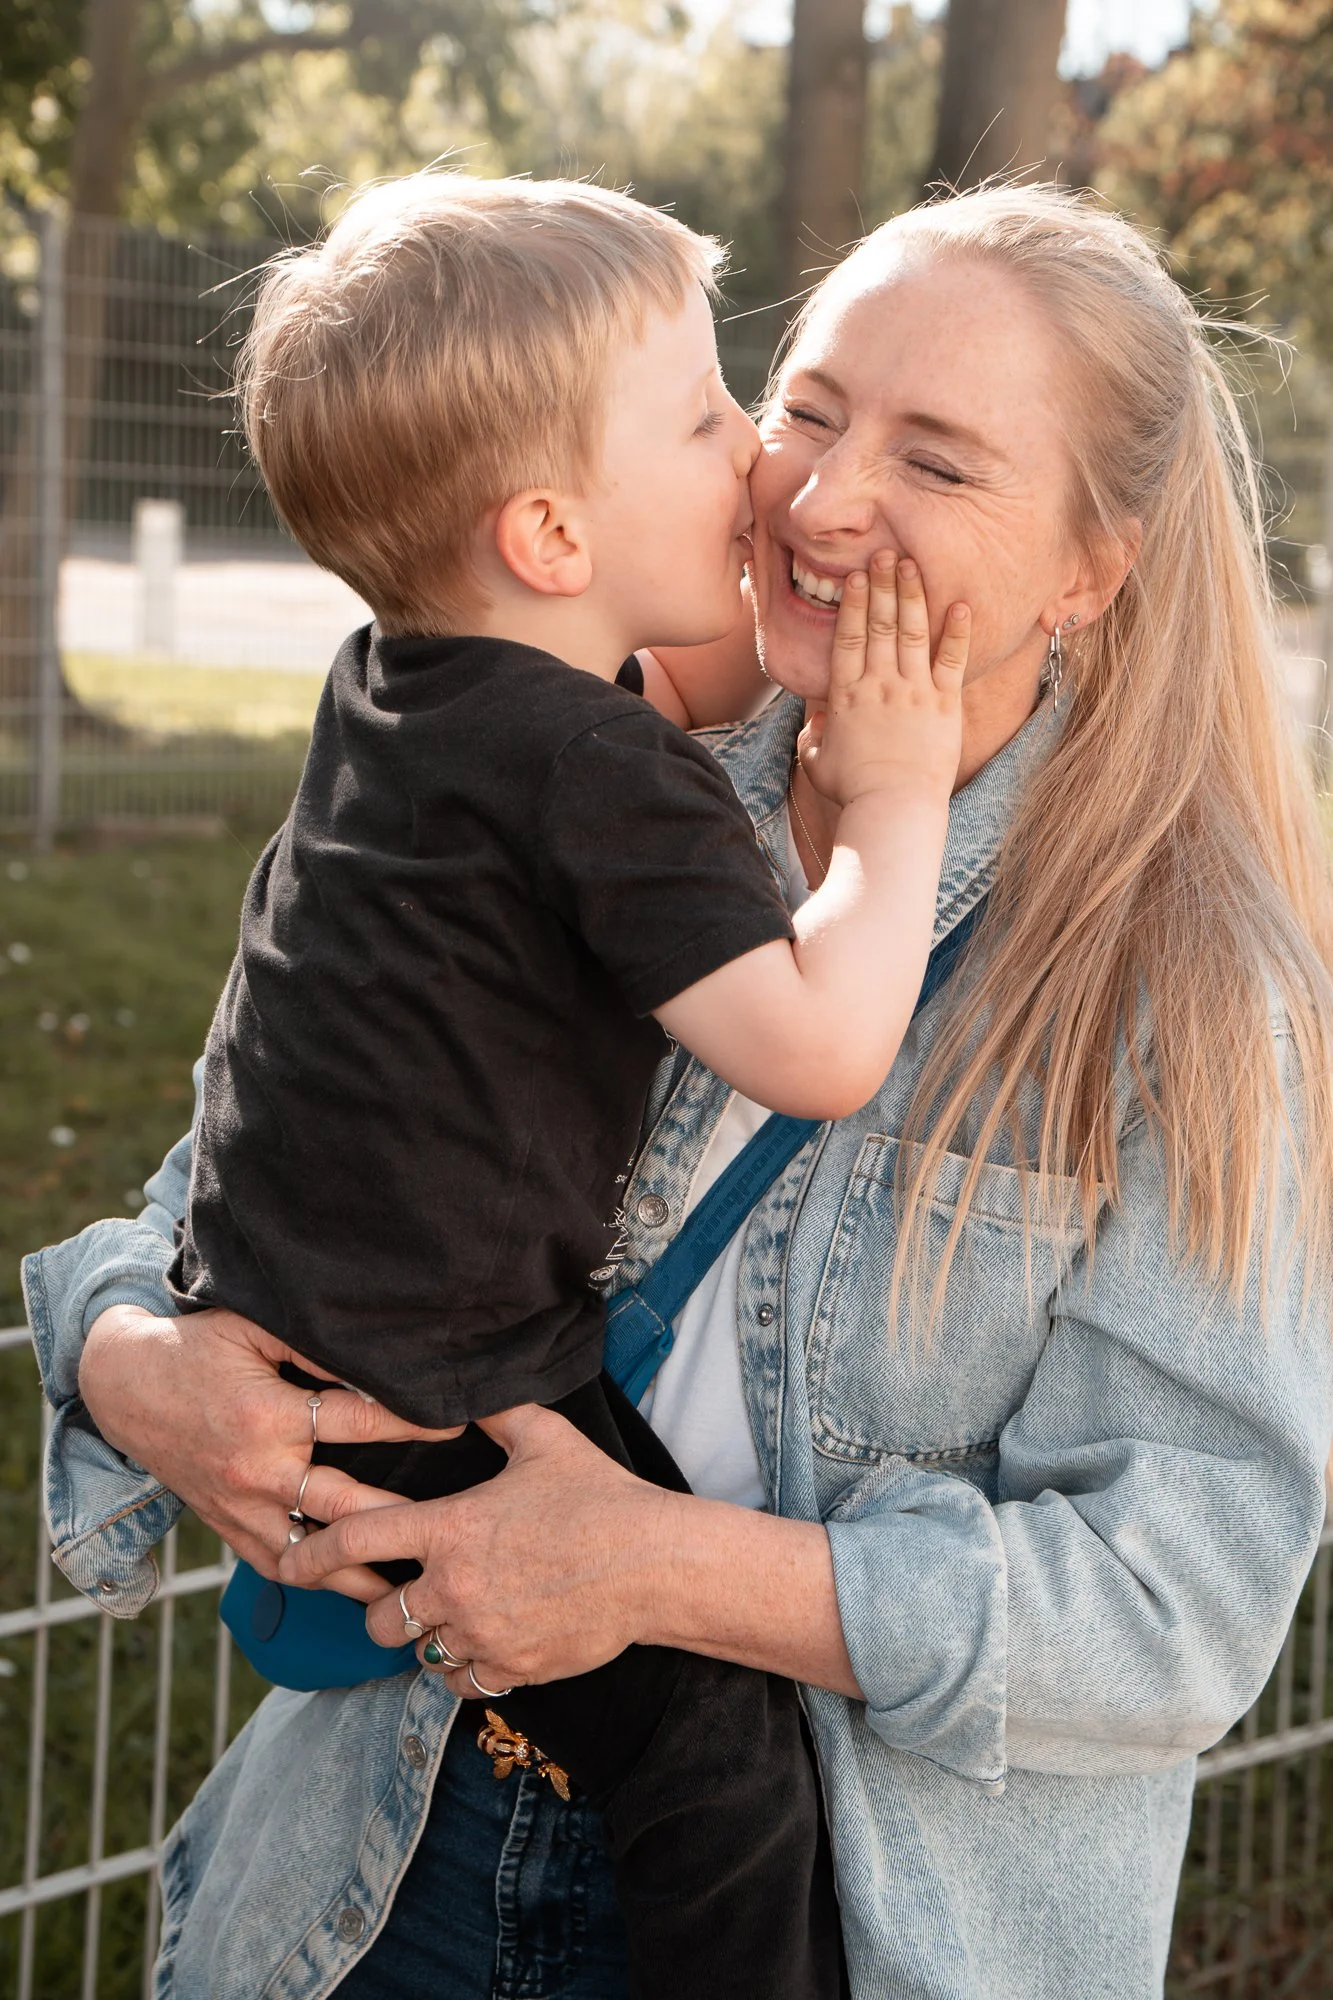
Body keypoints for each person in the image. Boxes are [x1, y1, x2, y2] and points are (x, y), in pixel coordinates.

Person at [24, 183, 1333, 2000]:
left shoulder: (1196, 987)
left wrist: (654, 1570)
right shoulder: (594, 765)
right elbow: (278, 1155)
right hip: (377, 1858)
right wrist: (121, 1353)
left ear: (1092, 565)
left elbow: (1171, 1609)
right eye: (800, 406)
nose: (818, 494)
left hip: (827, 1917)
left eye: (939, 464)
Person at [166, 167, 971, 2000]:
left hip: (293, 1303)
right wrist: (903, 789)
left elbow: (655, 685)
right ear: (545, 533)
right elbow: (826, 1046)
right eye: (708, 417)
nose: (758, 456)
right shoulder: (602, 776)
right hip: (449, 1371)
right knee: (717, 1777)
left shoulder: (404, 683)